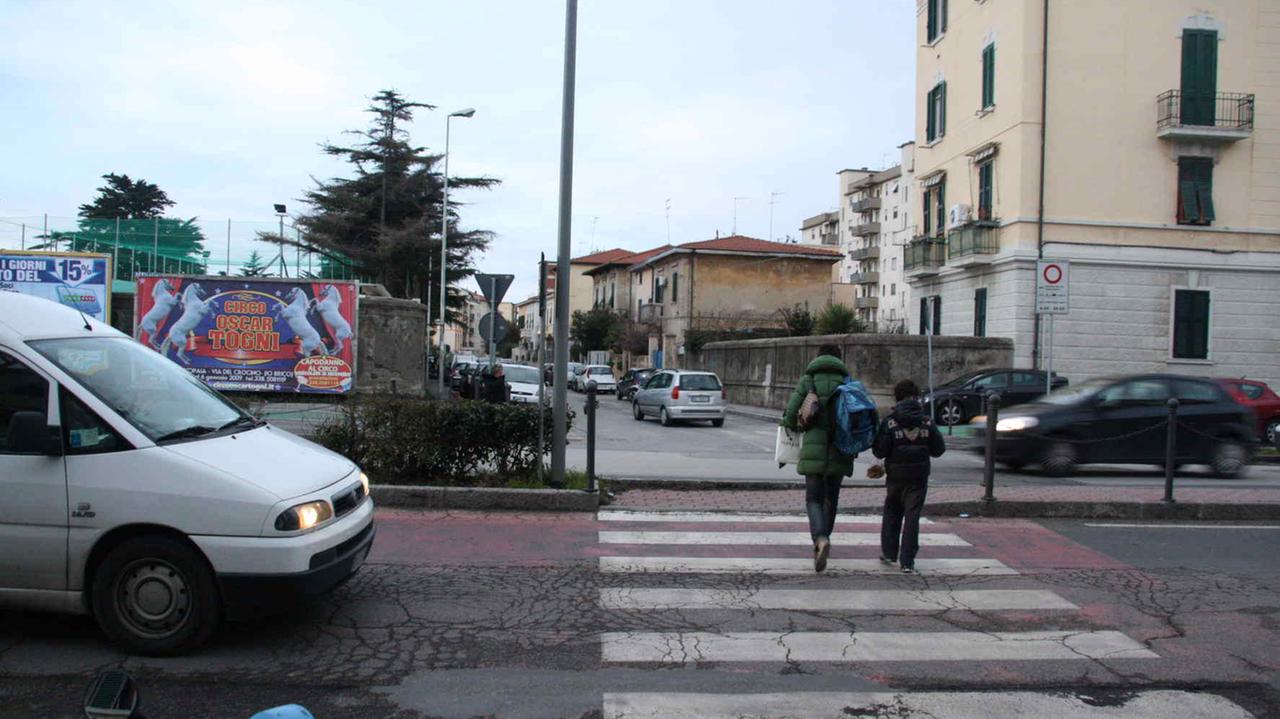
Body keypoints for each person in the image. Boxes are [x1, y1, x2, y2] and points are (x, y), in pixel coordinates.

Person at [781, 344, 855, 573]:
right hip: (840, 449)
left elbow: (791, 415)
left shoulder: (808, 381)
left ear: (818, 357)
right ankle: (825, 538)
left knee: (813, 499)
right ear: (839, 359)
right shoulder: (848, 383)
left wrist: (799, 422)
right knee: (830, 499)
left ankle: (820, 539)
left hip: (812, 451)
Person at [872, 379, 946, 574]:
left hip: (895, 475)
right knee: (912, 516)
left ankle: (889, 552)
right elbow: (938, 450)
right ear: (916, 397)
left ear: (897, 397)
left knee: (892, 512)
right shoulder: (927, 421)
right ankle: (908, 561)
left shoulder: (889, 421)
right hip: (919, 476)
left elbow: (880, 451)